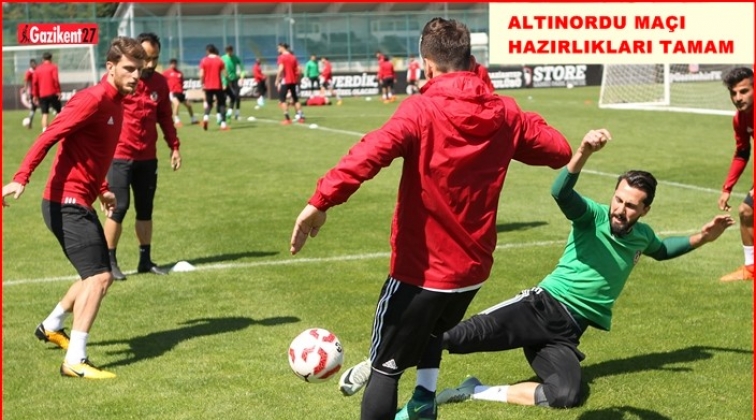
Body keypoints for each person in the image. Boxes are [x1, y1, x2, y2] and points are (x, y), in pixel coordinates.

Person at [289, 17, 572, 420]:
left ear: (427, 66)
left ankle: (417, 397)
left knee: (385, 368)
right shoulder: (505, 112)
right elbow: (559, 149)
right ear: (472, 61)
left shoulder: (421, 110)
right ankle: (424, 399)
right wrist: (510, 114)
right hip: (473, 272)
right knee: (433, 331)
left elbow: (370, 151)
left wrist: (321, 200)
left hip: (420, 272)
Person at [428, 129, 734, 410]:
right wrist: (584, 151)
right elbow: (561, 193)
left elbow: (664, 250)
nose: (620, 210)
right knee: (454, 336)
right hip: (541, 306)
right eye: (618, 200)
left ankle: (472, 390)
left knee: (565, 396)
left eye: (631, 206)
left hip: (568, 332)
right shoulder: (593, 217)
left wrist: (704, 237)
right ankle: (387, 362)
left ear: (645, 210)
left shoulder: (643, 236)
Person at [2, 36, 145, 379]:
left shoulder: (118, 103)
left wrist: (103, 189)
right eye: (128, 68)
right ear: (110, 67)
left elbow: (90, 156)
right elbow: (48, 135)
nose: (135, 75)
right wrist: (21, 177)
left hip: (80, 198)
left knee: (92, 273)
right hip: (64, 202)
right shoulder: (92, 99)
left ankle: (51, 325)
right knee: (100, 277)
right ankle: (75, 360)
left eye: (138, 69)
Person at [104, 32, 182, 281]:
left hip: (148, 157)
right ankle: (110, 261)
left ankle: (145, 260)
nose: (149, 64)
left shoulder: (160, 82)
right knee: (119, 208)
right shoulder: (120, 80)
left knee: (145, 210)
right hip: (119, 155)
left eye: (155, 58)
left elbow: (165, 118)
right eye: (146, 58)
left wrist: (175, 146)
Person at [718, 67, 754, 282]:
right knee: (747, 212)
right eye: (733, 93)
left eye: (744, 91)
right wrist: (727, 188)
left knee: (747, 210)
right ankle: (751, 269)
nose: (738, 98)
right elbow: (742, 152)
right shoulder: (740, 119)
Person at [198, 44, 229, 131]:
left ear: (208, 51)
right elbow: (225, 74)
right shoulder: (220, 60)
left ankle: (205, 118)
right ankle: (223, 124)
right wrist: (225, 83)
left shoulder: (204, 60)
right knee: (222, 104)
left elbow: (201, 74)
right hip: (218, 85)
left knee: (209, 104)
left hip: (208, 86)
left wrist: (202, 84)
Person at [32, 51, 62, 132]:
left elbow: (34, 83)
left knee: (45, 113)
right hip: (52, 93)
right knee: (59, 111)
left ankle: (44, 130)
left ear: (43, 59)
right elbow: (56, 79)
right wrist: (58, 91)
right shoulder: (53, 67)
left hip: (42, 94)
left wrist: (35, 95)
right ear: (51, 59)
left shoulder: (38, 69)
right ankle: (60, 128)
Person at [163, 58, 198, 127]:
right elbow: (162, 81)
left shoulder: (179, 73)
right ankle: (176, 120)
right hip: (172, 92)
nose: (174, 65)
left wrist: (183, 90)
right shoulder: (166, 73)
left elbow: (181, 82)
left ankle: (193, 119)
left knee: (189, 105)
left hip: (180, 92)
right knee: (177, 104)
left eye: (175, 64)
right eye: (172, 64)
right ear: (170, 64)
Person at [275, 42, 304, 125]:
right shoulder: (293, 57)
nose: (278, 50)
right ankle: (301, 117)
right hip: (293, 81)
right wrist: (297, 79)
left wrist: (277, 79)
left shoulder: (281, 57)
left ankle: (287, 119)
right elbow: (299, 69)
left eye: (278, 48)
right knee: (295, 99)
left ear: (282, 47)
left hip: (285, 81)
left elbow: (281, 69)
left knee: (282, 99)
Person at [221, 45, 243, 121]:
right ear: (226, 51)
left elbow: (242, 67)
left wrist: (242, 76)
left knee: (237, 96)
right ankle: (225, 114)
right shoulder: (223, 58)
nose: (229, 52)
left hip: (234, 80)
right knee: (224, 98)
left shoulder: (235, 58)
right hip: (225, 80)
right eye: (228, 51)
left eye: (230, 51)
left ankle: (237, 114)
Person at [23, 58, 38, 130]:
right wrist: (26, 93)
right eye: (33, 64)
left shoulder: (38, 70)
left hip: (41, 92)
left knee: (46, 107)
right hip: (33, 93)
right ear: (31, 64)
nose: (35, 65)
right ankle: (30, 122)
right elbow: (26, 83)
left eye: (35, 63)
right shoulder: (29, 72)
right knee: (33, 108)